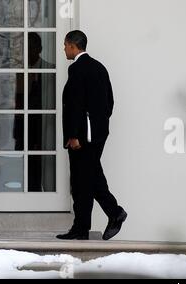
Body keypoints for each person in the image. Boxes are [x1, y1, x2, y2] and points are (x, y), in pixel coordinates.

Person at [57, 30, 127, 240]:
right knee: (90, 177)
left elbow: (76, 105)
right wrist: (98, 126)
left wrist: (74, 135)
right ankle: (102, 219)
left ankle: (107, 217)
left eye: (65, 45)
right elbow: (110, 103)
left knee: (81, 181)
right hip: (97, 135)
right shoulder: (99, 68)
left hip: (82, 138)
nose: (63, 49)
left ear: (72, 45)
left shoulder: (77, 69)